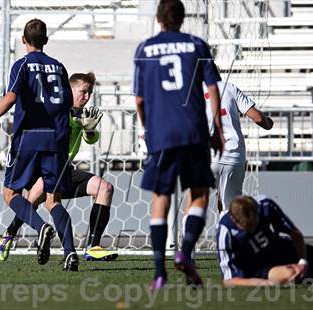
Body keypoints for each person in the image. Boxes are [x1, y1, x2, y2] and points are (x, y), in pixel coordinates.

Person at [132, 0, 225, 289]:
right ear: (182, 19)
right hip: (193, 131)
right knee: (198, 193)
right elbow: (212, 88)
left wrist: (148, 128)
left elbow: (139, 99)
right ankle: (185, 250)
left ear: (159, 18)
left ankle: (159, 273)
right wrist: (217, 129)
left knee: (161, 198)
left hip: (161, 134)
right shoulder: (197, 45)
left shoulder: (145, 50)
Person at [0, 19, 78, 271]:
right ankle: (70, 252)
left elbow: (12, 96)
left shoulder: (22, 65)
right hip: (57, 139)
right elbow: (69, 104)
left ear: (23, 40)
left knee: (10, 194)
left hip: (29, 137)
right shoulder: (59, 67)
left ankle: (40, 227)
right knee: (53, 201)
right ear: (46, 40)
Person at [0, 72, 118, 263]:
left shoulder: (82, 115)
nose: (86, 97)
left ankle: (93, 246)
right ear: (69, 90)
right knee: (35, 198)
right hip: (45, 167)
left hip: (65, 169)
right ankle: (11, 233)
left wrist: (89, 128)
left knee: (105, 188)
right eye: (83, 92)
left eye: (89, 93)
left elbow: (91, 138)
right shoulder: (57, 111)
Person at [217, 195, 313, 286]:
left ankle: (312, 273)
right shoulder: (225, 231)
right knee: (291, 273)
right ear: (234, 220)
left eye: (255, 222)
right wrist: (262, 283)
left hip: (281, 248)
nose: (253, 228)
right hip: (263, 268)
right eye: (248, 226)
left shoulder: (265, 206)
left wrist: (303, 262)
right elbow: (228, 280)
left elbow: (295, 233)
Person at [205, 81, 274, 212]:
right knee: (231, 207)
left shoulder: (193, 91)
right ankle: (228, 230)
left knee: (196, 203)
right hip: (233, 154)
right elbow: (258, 118)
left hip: (208, 155)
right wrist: (268, 123)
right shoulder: (229, 88)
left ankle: (188, 231)